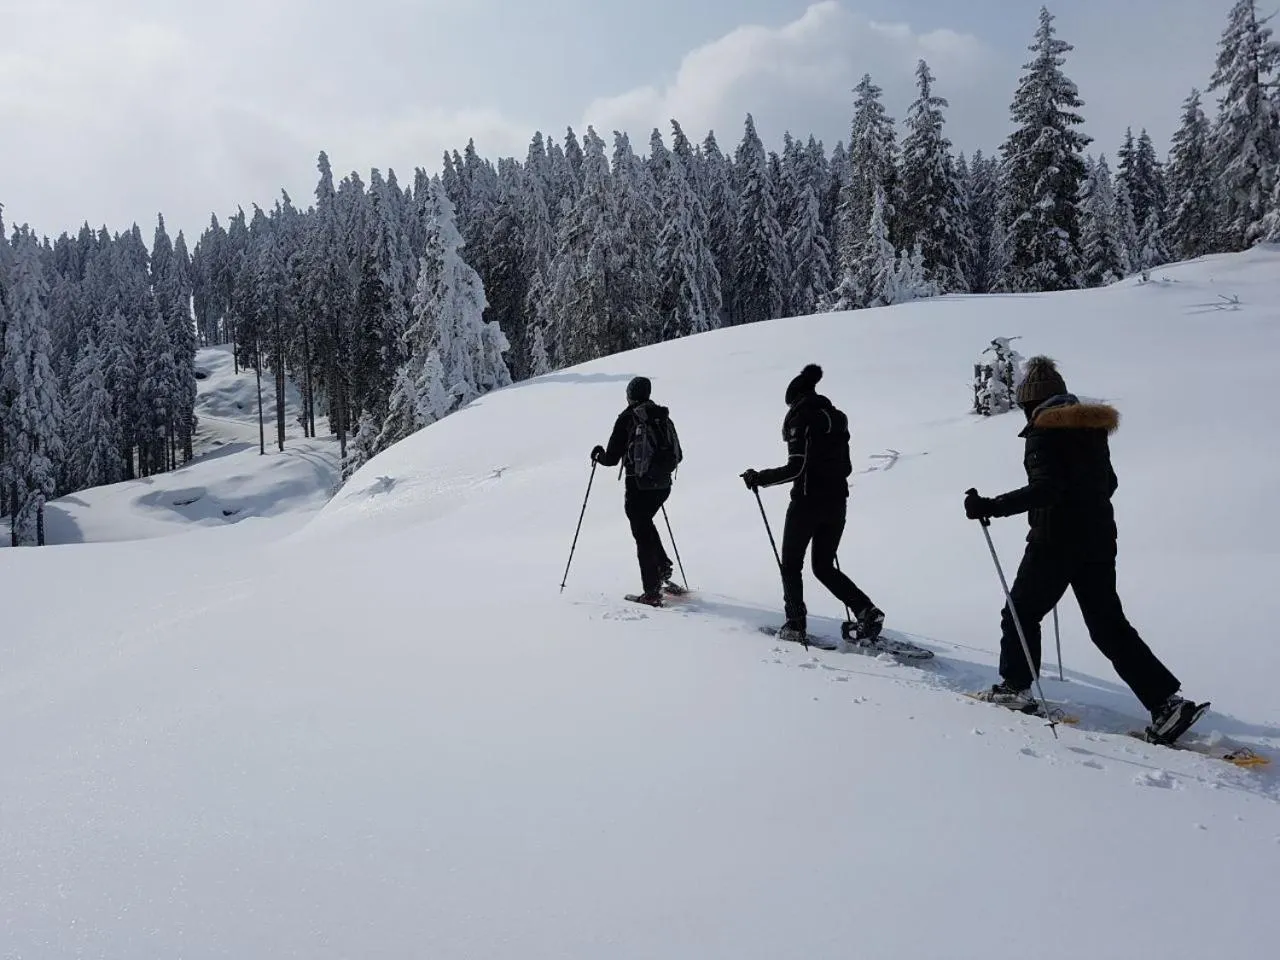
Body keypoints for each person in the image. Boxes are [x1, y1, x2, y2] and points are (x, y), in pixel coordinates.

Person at [964, 355, 1205, 743]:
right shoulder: (1092, 431)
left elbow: (1047, 489)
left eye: (1025, 406)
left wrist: (991, 506)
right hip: (1098, 540)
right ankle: (1166, 703)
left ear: (1033, 403)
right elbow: (1108, 483)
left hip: (1054, 541)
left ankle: (1015, 687)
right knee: (1108, 626)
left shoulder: (1044, 433)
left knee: (1021, 611)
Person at [741, 364, 884, 645]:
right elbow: (847, 465)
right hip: (837, 503)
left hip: (807, 503)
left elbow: (796, 468)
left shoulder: (800, 419)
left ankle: (795, 625)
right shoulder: (836, 418)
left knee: (791, 565)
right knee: (823, 566)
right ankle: (866, 611)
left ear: (794, 399)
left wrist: (760, 478)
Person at [591, 376, 683, 606]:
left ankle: (652, 591)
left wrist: (598, 455)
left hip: (638, 485)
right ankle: (662, 568)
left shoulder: (628, 417)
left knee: (641, 532)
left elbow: (612, 458)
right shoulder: (660, 415)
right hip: (663, 484)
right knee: (646, 524)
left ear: (630, 394)